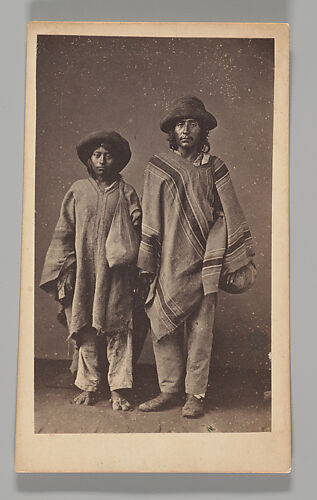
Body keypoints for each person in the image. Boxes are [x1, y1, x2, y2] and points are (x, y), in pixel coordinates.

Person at [137, 96, 257, 418]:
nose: (186, 130)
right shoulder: (158, 167)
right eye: (180, 124)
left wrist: (221, 247)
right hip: (167, 260)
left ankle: (195, 394)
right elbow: (150, 217)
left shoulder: (216, 168)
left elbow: (230, 214)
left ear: (204, 130)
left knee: (201, 331)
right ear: (172, 132)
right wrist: (148, 265)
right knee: (164, 324)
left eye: (193, 124)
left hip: (206, 261)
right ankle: (168, 390)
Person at [40, 130, 142, 410]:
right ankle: (88, 385)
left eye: (108, 155)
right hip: (83, 272)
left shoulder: (127, 192)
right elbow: (64, 233)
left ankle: (119, 389)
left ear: (117, 160)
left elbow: (138, 233)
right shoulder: (78, 191)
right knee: (84, 328)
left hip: (117, 274)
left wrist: (136, 269)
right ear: (89, 159)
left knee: (118, 330)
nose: (102, 160)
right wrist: (65, 270)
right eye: (97, 155)